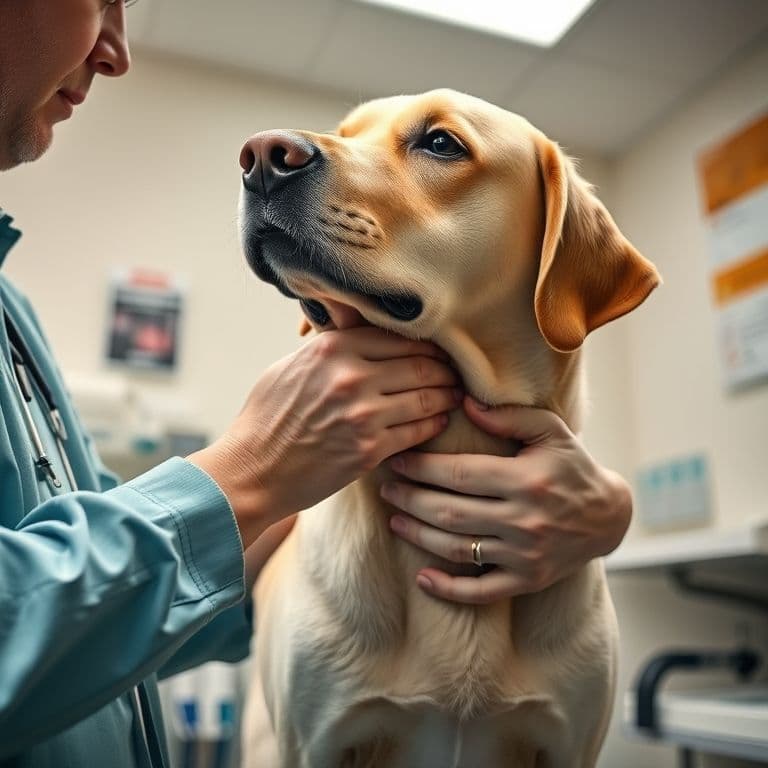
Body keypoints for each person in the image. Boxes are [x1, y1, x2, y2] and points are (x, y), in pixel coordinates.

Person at [0, 2, 632, 765]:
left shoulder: (14, 315)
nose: (117, 49)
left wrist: (611, 513)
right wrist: (249, 471)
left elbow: (114, 613)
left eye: (437, 145)